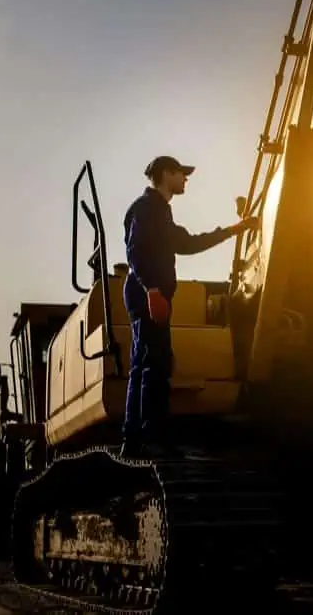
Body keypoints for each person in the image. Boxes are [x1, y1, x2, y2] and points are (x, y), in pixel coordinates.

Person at [120, 155, 258, 457]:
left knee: (151, 362)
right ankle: (146, 438)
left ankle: (138, 437)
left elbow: (188, 244)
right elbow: (136, 251)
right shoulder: (146, 210)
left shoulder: (160, 213)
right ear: (165, 173)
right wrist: (152, 291)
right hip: (147, 293)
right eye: (182, 174)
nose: (186, 179)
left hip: (150, 293)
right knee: (151, 363)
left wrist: (235, 229)